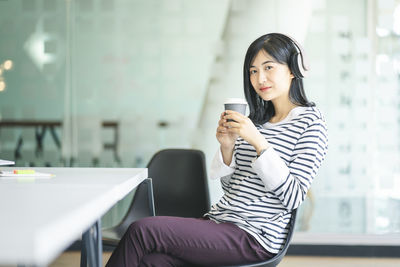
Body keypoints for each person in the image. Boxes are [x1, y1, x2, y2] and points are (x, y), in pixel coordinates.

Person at [106, 33, 328, 267]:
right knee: (152, 262)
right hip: (221, 223)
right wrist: (227, 147)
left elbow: (293, 197)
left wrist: (259, 143)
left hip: (255, 237)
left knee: (142, 230)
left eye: (269, 67)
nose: (260, 78)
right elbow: (232, 188)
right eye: (253, 71)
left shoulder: (310, 123)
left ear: (293, 69)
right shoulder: (257, 121)